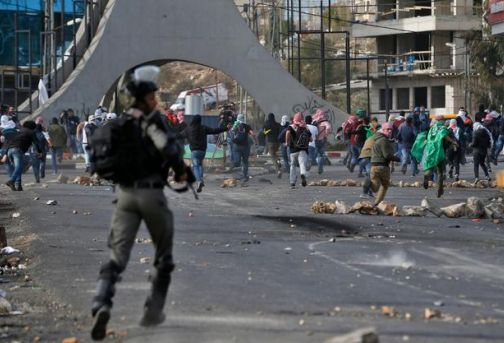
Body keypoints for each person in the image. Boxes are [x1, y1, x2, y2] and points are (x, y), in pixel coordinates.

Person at [90, 66, 191, 340]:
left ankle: (101, 302)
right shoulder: (152, 121)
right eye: (153, 95)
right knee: (164, 257)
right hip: (151, 194)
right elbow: (168, 149)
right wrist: (182, 171)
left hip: (124, 195)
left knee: (117, 256)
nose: (156, 99)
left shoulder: (119, 124)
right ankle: (152, 311)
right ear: (145, 98)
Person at [182, 114, 227, 192]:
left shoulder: (188, 129)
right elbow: (214, 130)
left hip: (194, 151)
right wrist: (225, 128)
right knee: (200, 165)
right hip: (202, 151)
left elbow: (179, 135)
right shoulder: (203, 128)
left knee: (195, 166)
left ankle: (199, 181)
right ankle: (201, 180)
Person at [417, 116, 458, 197]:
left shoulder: (432, 128)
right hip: (439, 152)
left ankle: (426, 176)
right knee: (440, 172)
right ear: (442, 120)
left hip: (430, 151)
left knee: (429, 167)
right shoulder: (443, 128)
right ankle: (439, 190)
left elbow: (428, 139)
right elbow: (444, 136)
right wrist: (453, 142)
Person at [362, 123, 400, 205]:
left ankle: (367, 183)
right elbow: (387, 155)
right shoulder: (384, 140)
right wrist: (397, 159)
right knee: (385, 185)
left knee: (375, 188)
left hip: (374, 166)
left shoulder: (376, 139)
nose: (390, 131)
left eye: (391, 130)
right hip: (383, 166)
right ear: (383, 130)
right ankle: (377, 203)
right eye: (388, 129)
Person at [5, 121, 40, 191]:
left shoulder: (18, 132)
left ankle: (19, 186)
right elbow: (36, 143)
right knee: (19, 167)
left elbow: (10, 142)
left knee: (17, 169)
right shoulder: (31, 132)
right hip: (17, 150)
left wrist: (6, 154)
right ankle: (12, 181)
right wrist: (40, 151)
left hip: (9, 150)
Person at [285, 112, 311, 189]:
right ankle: (303, 174)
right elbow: (311, 139)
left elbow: (288, 132)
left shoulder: (291, 127)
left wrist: (287, 142)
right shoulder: (305, 127)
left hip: (293, 151)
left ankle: (292, 183)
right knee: (302, 164)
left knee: (292, 166)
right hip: (303, 150)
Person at [231, 113, 257, 184]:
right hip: (245, 146)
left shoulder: (235, 125)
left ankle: (236, 165)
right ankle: (245, 176)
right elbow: (253, 134)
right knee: (245, 161)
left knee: (237, 161)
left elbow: (231, 132)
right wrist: (255, 141)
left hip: (236, 146)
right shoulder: (247, 126)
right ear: (243, 119)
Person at [312, 109, 332, 174]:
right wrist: (326, 134)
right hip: (322, 140)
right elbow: (328, 128)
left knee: (315, 153)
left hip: (315, 140)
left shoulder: (314, 121)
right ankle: (320, 168)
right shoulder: (325, 122)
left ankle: (310, 163)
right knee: (321, 154)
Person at [263, 113, 283, 177]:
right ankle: (278, 160)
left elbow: (264, 133)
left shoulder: (266, 125)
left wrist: (268, 131)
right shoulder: (277, 124)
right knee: (275, 153)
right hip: (277, 143)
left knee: (273, 157)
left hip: (270, 142)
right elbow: (281, 132)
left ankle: (278, 170)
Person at [31, 116, 49, 183]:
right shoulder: (43, 131)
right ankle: (42, 173)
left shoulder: (32, 132)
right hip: (42, 150)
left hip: (34, 150)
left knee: (35, 165)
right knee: (43, 161)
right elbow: (47, 140)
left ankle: (37, 178)